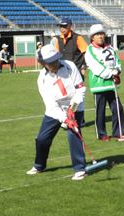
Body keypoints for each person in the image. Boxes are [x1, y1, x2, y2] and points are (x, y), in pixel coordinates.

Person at [26, 44, 87, 181]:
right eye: (50, 62)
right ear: (43, 63)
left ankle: (80, 169)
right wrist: (64, 119)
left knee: (74, 135)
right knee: (42, 139)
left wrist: (73, 108)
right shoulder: (41, 79)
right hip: (55, 111)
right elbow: (51, 104)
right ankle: (39, 165)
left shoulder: (70, 66)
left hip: (74, 105)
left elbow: (80, 88)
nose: (54, 63)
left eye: (55, 60)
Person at [85, 24, 124, 141]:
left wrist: (117, 70)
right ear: (92, 37)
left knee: (118, 108)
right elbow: (96, 67)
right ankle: (102, 134)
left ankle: (119, 132)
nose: (100, 36)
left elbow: (117, 61)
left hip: (111, 84)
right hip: (99, 85)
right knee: (100, 110)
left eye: (101, 34)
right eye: (97, 34)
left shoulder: (110, 47)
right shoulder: (90, 50)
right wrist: (111, 74)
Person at [54, 17, 88, 127]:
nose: (62, 28)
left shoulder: (78, 38)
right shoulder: (58, 40)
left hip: (77, 72)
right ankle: (68, 119)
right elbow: (55, 55)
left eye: (64, 26)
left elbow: (86, 53)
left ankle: (80, 120)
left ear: (70, 26)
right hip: (64, 73)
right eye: (60, 26)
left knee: (79, 97)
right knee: (66, 96)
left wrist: (83, 67)